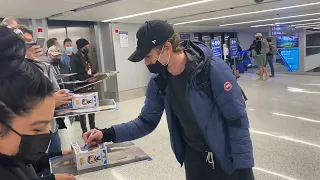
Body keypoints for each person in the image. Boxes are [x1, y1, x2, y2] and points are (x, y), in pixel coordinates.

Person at [83, 20, 254, 180]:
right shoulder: (159, 81)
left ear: (167, 47)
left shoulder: (212, 71)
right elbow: (146, 121)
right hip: (193, 158)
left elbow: (237, 120)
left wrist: (243, 169)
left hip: (224, 157)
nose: (146, 62)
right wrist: (106, 133)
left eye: (148, 56)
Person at [0, 26, 75, 180]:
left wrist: (55, 159)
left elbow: (25, 171)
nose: (46, 134)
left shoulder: (12, 157)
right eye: (37, 128)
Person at [20, 25, 74, 153]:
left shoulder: (45, 67)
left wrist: (61, 97)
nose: (32, 45)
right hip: (27, 132)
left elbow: (56, 91)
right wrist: (49, 99)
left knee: (52, 162)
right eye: (26, 42)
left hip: (50, 128)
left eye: (32, 41)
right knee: (33, 168)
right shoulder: (10, 71)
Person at [71, 38, 98, 134]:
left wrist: (95, 74)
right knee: (82, 111)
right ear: (80, 47)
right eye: (86, 47)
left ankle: (93, 127)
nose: (87, 48)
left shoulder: (87, 57)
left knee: (91, 108)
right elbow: (76, 75)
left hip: (90, 85)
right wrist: (88, 77)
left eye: (88, 47)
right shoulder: (75, 59)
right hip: (81, 88)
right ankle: (84, 130)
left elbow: (89, 70)